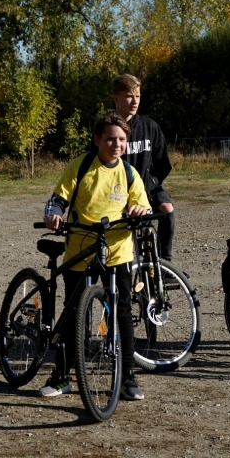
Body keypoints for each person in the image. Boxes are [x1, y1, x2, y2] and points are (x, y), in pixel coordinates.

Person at [42, 113, 150, 400]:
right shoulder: (82, 166)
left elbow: (141, 203)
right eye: (111, 139)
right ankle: (62, 375)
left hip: (118, 251)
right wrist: (53, 215)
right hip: (80, 249)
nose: (117, 144)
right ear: (97, 140)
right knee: (74, 312)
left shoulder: (129, 173)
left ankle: (127, 376)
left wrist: (139, 210)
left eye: (123, 140)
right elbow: (57, 200)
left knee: (122, 313)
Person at [109, 74, 176, 262]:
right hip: (117, 191)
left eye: (138, 96)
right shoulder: (108, 129)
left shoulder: (150, 127)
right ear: (116, 98)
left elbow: (164, 164)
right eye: (129, 96)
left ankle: (165, 264)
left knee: (167, 209)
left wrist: (151, 183)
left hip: (147, 188)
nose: (135, 101)